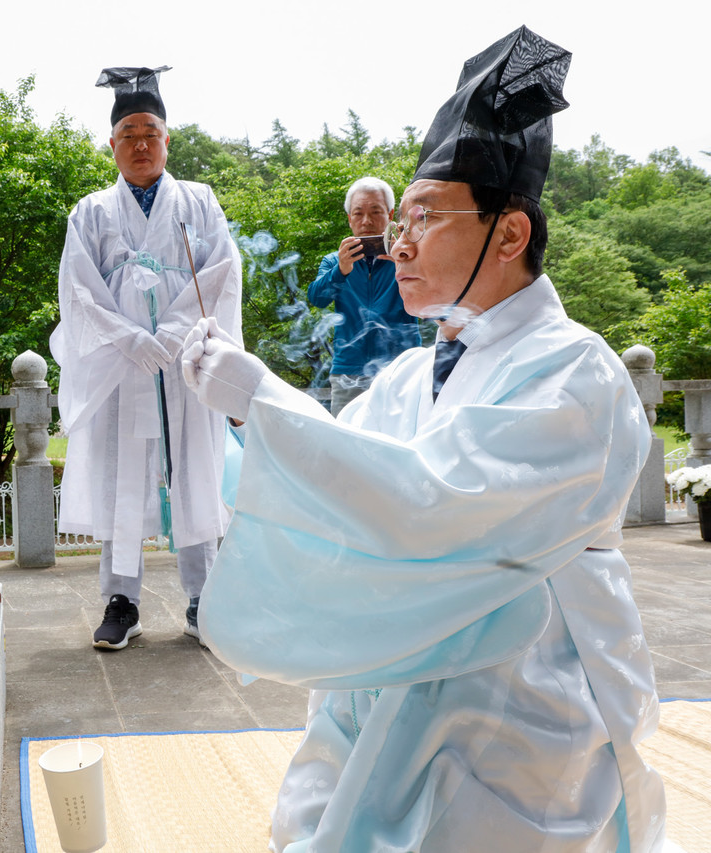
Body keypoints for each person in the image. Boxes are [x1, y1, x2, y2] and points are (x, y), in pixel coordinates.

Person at [180, 27, 669, 851]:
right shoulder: (413, 373)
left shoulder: (576, 374)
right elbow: (346, 480)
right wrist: (243, 416)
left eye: (426, 217)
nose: (399, 242)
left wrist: (262, 400)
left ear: (508, 234)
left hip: (522, 680)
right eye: (398, 218)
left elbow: (433, 506)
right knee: (328, 800)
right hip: (406, 659)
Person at [50, 66, 242, 650]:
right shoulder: (89, 212)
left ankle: (203, 597)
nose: (140, 143)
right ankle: (122, 600)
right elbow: (79, 289)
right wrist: (131, 340)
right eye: (128, 133)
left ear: (167, 139)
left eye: (150, 132)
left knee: (192, 473)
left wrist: (179, 332)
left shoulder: (200, 202)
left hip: (184, 364)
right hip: (120, 365)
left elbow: (223, 274)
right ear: (111, 144)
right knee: (121, 477)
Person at [307, 177, 421, 415]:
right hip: (348, 369)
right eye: (358, 213)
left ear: (390, 215)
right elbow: (317, 298)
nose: (366, 221)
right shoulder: (333, 260)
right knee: (345, 445)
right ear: (349, 219)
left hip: (402, 368)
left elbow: (433, 304)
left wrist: (404, 266)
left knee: (402, 442)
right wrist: (340, 270)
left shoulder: (409, 255)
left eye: (375, 211)